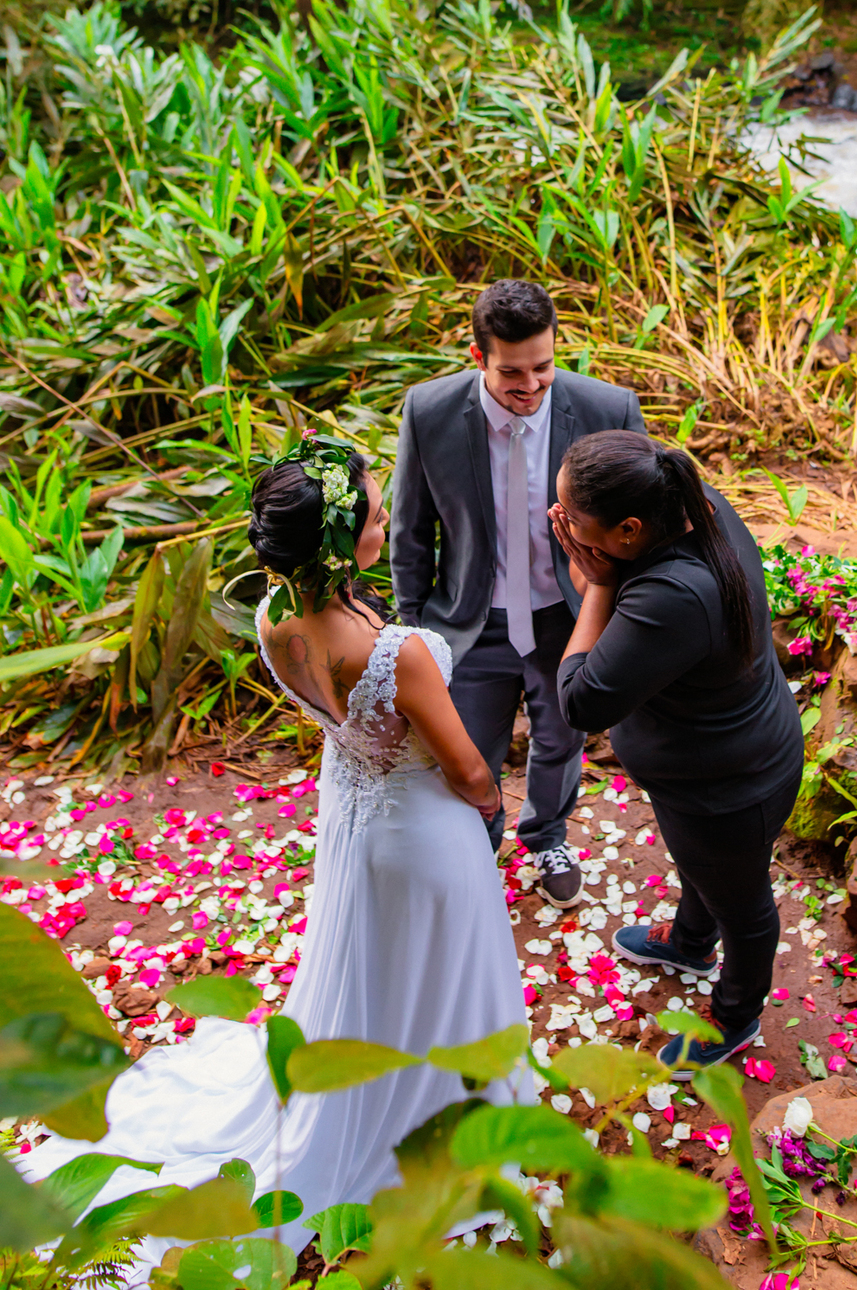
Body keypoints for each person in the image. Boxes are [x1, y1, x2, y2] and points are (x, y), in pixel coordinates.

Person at [22, 432, 529, 1252]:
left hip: (356, 812)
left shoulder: (271, 614)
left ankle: (373, 1091)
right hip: (421, 829)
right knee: (438, 971)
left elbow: (347, 719)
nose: (384, 512)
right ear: (338, 540)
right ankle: (439, 1123)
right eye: (370, 509)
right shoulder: (393, 654)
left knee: (372, 969)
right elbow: (467, 767)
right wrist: (493, 802)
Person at [550, 430, 806, 1078]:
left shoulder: (672, 594)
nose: (560, 528)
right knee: (705, 871)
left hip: (729, 789)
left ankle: (734, 1014)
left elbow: (579, 700)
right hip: (708, 772)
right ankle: (691, 943)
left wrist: (599, 586)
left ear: (630, 530)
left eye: (571, 521)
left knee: (744, 908)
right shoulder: (690, 503)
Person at [390, 278, 645, 908]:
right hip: (470, 625)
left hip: (569, 617)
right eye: (511, 373)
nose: (529, 386)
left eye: (544, 367)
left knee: (562, 740)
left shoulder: (607, 409)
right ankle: (477, 844)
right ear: (477, 357)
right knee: (470, 749)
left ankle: (548, 835)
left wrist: (619, 616)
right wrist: (415, 629)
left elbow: (640, 523)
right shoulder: (428, 412)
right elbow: (409, 529)